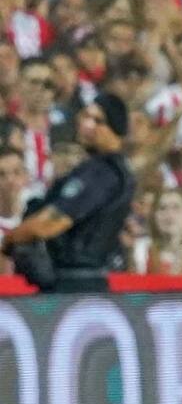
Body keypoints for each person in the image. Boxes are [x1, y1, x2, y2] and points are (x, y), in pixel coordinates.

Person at [1, 93, 135, 292]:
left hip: (75, 285)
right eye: (85, 117)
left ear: (115, 130)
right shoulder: (112, 169)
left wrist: (9, 240)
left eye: (97, 121)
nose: (86, 125)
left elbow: (49, 224)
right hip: (86, 282)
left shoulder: (101, 173)